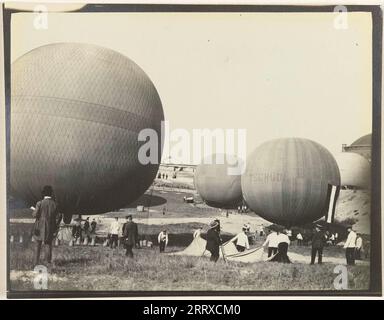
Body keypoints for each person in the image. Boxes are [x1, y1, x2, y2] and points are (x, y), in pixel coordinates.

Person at [31, 185, 61, 265]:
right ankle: (47, 263)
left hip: (39, 227)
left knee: (37, 245)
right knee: (48, 244)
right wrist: (55, 226)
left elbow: (35, 215)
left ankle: (35, 263)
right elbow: (58, 217)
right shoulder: (55, 204)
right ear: (51, 193)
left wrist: (34, 210)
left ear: (43, 193)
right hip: (50, 228)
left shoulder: (39, 203)